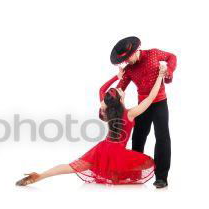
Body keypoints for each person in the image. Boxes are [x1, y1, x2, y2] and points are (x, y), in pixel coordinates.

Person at [16, 65, 167, 186]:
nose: (122, 88)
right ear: (120, 100)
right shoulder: (130, 113)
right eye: (120, 90)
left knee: (71, 166)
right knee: (148, 162)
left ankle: (40, 175)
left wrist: (117, 77)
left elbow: (102, 90)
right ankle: (115, 179)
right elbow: (151, 97)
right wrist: (160, 76)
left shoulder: (106, 109)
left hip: (102, 149)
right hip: (117, 153)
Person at [99, 36, 177, 188]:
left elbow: (171, 56)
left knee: (162, 137)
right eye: (125, 60)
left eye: (128, 58)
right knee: (138, 137)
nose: (127, 61)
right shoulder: (128, 70)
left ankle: (161, 177)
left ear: (136, 51)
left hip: (160, 102)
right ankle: (135, 173)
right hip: (143, 105)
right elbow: (119, 89)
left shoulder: (154, 54)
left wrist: (168, 69)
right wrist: (105, 103)